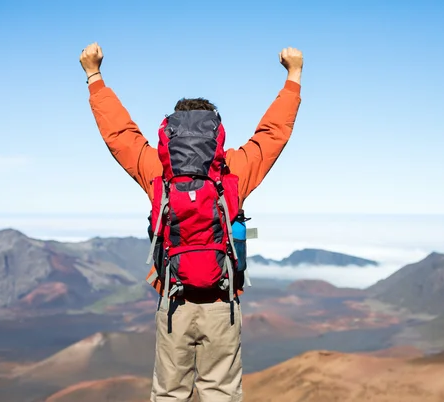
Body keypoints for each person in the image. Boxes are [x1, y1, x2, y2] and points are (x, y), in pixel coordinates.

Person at [79, 42, 303, 402]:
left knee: (169, 394)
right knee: (222, 391)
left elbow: (119, 135)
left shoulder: (158, 173)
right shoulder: (233, 173)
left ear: (170, 136)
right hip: (222, 303)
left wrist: (94, 75)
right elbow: (272, 134)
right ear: (216, 136)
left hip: (174, 301)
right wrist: (294, 75)